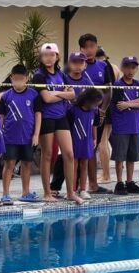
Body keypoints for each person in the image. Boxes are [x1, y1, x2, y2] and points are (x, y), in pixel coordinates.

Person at [32, 43, 80, 203]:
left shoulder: (61, 74)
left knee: (69, 154)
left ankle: (71, 192)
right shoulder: (39, 76)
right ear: (41, 57)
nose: (48, 58)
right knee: (47, 155)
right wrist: (62, 94)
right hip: (46, 117)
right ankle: (47, 193)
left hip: (61, 116)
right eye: (45, 55)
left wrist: (55, 93)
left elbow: (73, 94)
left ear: (57, 56)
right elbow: (46, 98)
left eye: (51, 55)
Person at [0, 64, 40, 204]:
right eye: (15, 78)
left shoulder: (33, 95)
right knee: (9, 164)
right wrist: (0, 135)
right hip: (10, 136)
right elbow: (1, 117)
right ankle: (5, 194)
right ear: (11, 78)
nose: (18, 81)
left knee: (26, 164)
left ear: (27, 78)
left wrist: (36, 134)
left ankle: (25, 192)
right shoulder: (6, 96)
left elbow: (38, 115)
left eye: (21, 78)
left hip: (27, 137)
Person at [78, 33, 115, 189]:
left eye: (92, 46)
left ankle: (93, 184)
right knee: (78, 149)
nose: (89, 50)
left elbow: (109, 90)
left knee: (93, 147)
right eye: (86, 47)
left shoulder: (104, 66)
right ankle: (77, 185)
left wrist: (103, 110)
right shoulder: (76, 64)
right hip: (80, 115)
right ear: (81, 48)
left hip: (97, 114)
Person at [109, 56, 139, 194]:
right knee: (120, 157)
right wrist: (136, 101)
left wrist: (130, 103)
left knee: (132, 157)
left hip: (135, 126)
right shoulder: (118, 85)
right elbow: (120, 105)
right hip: (121, 126)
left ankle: (129, 181)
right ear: (122, 68)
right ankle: (119, 183)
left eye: (133, 67)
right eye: (127, 67)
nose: (130, 70)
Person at [57, 52, 89, 195]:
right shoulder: (65, 79)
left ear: (85, 64)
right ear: (69, 64)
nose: (77, 66)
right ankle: (71, 189)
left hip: (84, 123)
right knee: (71, 158)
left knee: (84, 161)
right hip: (67, 123)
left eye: (80, 63)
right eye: (74, 62)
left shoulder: (87, 82)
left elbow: (94, 101)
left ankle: (83, 188)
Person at [68, 88, 102, 200]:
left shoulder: (94, 111)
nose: (97, 106)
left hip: (87, 140)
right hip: (74, 140)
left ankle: (83, 189)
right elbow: (67, 126)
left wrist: (95, 139)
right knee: (74, 165)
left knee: (84, 165)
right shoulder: (73, 109)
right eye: (95, 103)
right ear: (88, 100)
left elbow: (94, 126)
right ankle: (71, 190)